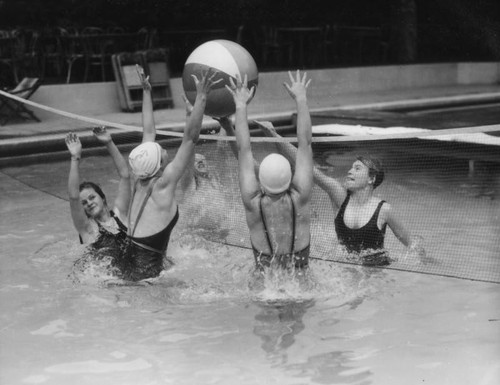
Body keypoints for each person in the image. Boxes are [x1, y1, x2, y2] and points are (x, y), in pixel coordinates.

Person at [254, 121, 423, 266]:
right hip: (346, 269)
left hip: (378, 272)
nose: (350, 171)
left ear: (371, 179)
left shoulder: (384, 210)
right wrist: (273, 134)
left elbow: (411, 245)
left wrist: (427, 261)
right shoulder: (340, 197)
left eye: (357, 169)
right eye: (351, 167)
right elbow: (306, 167)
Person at [122, 65, 221, 281]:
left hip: (127, 261)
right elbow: (190, 138)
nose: (165, 150)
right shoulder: (162, 185)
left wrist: (146, 92)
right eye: (161, 152)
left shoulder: (139, 179)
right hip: (145, 273)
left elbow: (148, 132)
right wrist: (202, 97)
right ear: (158, 166)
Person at [226, 70, 313, 272]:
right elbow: (305, 143)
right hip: (301, 289)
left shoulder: (252, 203)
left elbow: (243, 149)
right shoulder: (300, 198)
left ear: (260, 179)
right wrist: (301, 99)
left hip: (264, 292)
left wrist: (240, 105)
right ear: (290, 177)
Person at [64, 126, 130, 263]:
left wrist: (109, 143)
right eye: (84, 203)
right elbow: (73, 196)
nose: (89, 203)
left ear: (103, 198)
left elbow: (125, 176)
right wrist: (75, 158)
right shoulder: (87, 229)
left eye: (92, 197)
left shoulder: (120, 216)